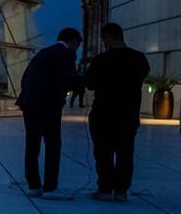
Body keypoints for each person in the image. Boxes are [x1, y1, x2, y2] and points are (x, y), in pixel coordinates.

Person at [83, 22, 150, 201]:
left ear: (107, 38)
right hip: (128, 114)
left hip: (103, 114)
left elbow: (90, 83)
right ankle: (121, 191)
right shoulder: (139, 59)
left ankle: (105, 188)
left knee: (103, 153)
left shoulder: (101, 60)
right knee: (125, 154)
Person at [15, 27, 83, 198]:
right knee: (53, 144)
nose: (76, 50)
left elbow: (25, 78)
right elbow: (64, 80)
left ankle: (34, 185)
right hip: (48, 105)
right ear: (73, 41)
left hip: (29, 103)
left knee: (32, 144)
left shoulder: (41, 53)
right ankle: (50, 187)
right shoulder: (67, 54)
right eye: (77, 46)